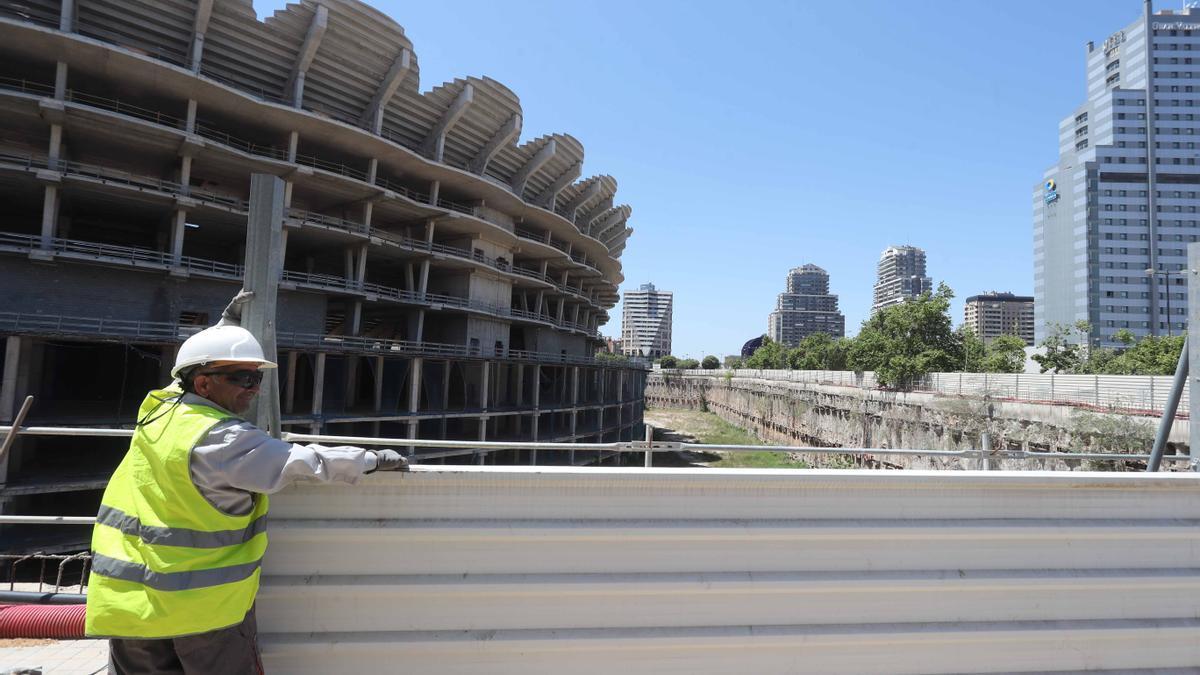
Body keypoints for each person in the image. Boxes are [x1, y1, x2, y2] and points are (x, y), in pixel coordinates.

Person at [84, 296, 407, 674]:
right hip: (201, 613)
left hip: (130, 608)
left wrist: (226, 324)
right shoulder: (221, 439)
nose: (254, 388)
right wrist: (368, 460)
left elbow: (180, 376)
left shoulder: (157, 410)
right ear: (203, 384)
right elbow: (299, 462)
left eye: (258, 377)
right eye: (242, 378)